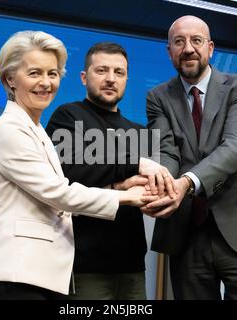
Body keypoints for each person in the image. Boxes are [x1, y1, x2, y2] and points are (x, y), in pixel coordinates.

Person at [0, 31, 160, 300]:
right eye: (34, 73)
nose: (45, 83)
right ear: (10, 79)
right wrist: (126, 192)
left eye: (52, 74)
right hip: (26, 274)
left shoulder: (36, 130)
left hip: (54, 271)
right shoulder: (12, 129)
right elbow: (61, 191)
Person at [142, 16, 237, 300]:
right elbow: (166, 151)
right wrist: (165, 182)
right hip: (186, 234)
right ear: (169, 50)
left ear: (210, 48)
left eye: (196, 40)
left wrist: (185, 183)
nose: (188, 48)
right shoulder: (157, 97)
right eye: (179, 42)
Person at [46, 42, 168, 300]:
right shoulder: (67, 117)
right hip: (84, 265)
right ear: (83, 77)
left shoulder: (138, 131)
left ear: (126, 79)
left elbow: (144, 187)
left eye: (119, 72)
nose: (111, 79)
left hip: (132, 264)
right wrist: (133, 166)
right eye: (101, 70)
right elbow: (70, 172)